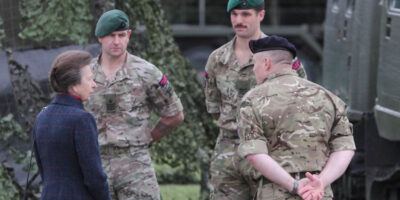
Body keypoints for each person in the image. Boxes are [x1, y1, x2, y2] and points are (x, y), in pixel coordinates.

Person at [204, 0, 307, 199]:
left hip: (271, 151)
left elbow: (300, 99)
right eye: (234, 14)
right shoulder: (217, 59)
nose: (238, 20)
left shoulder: (280, 56)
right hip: (229, 151)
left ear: (261, 15)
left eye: (245, 14)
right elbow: (214, 105)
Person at [237, 35, 356, 200]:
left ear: (266, 63)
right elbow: (345, 148)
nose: (254, 70)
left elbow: (254, 154)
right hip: (318, 194)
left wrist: (294, 185)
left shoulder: (252, 100)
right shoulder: (328, 98)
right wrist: (321, 181)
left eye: (255, 64)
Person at [84, 9, 184, 200]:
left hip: (136, 166)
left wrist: (147, 138)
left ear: (128, 35)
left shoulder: (147, 73)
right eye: (111, 36)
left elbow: (174, 114)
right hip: (96, 163)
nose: (116, 41)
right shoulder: (85, 75)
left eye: (121, 35)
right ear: (99, 38)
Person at [33, 50, 110, 200]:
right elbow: (94, 177)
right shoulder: (82, 119)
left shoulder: (42, 117)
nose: (94, 85)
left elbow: (44, 171)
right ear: (74, 86)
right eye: (89, 79)